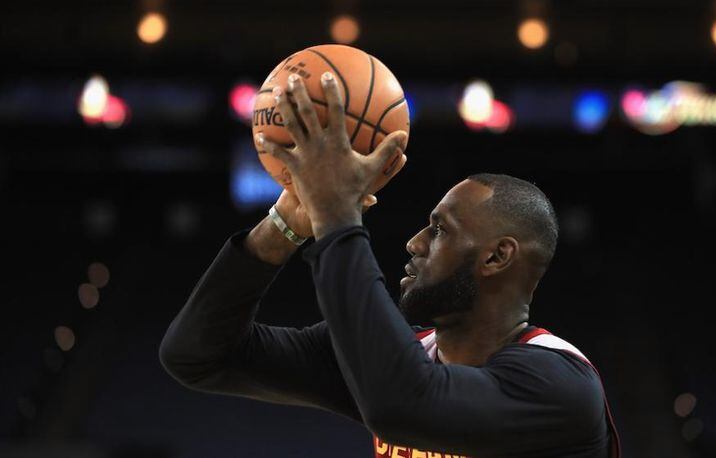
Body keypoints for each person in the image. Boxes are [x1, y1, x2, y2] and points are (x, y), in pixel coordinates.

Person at [159, 71, 621, 458]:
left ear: (497, 257)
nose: (414, 243)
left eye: (440, 230)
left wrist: (337, 213)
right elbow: (196, 356)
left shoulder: (558, 385)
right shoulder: (405, 355)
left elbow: (401, 405)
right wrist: (283, 226)